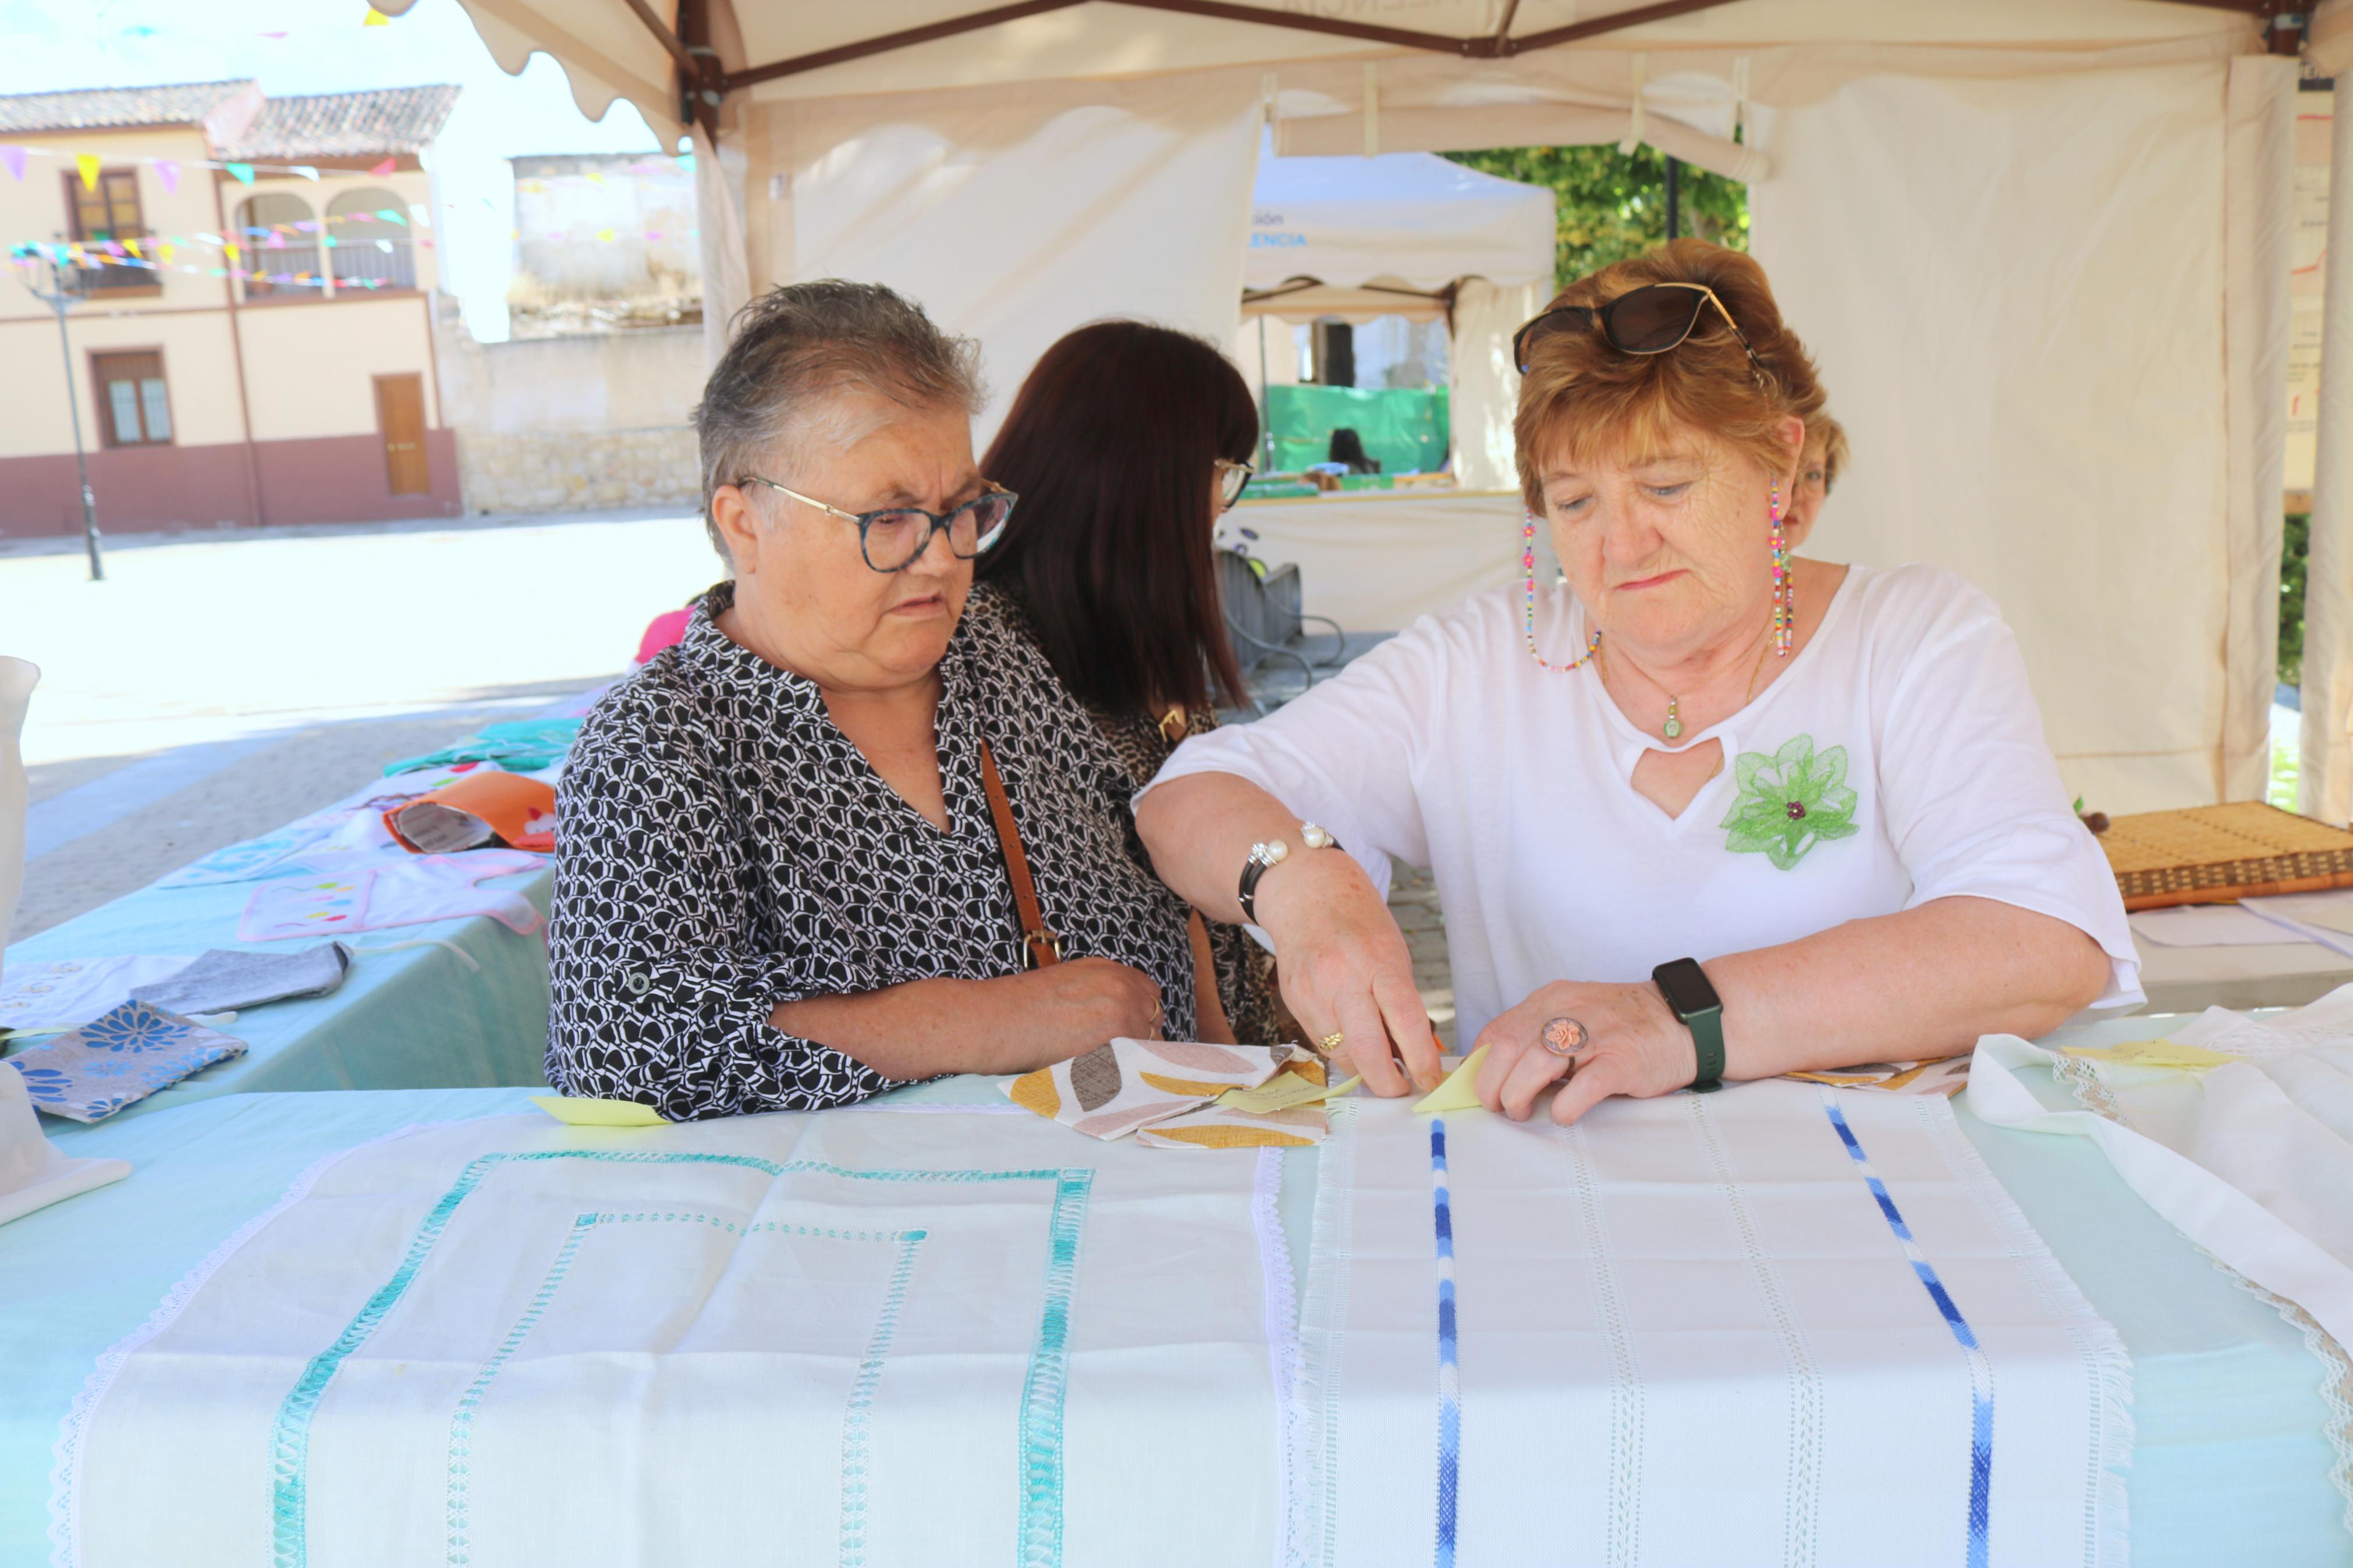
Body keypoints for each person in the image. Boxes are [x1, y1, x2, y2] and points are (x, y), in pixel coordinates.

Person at [1135, 239, 2136, 1124]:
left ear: (1777, 465)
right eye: (1574, 502)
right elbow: (1184, 798)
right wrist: (1301, 882)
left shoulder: (1913, 637)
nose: (1619, 543)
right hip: (1559, 1205)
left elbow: (2043, 940)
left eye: (1665, 486)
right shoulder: (1477, 663)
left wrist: (1671, 1020)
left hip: (1870, 1205)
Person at [546, 281, 1201, 1119]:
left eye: (960, 510)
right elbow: (624, 1054)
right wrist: (983, 1019)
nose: (939, 558)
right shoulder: (659, 744)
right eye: (887, 518)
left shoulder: (1006, 647)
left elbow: (1171, 852)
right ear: (744, 522)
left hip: (1140, 1192)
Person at [974, 319, 1282, 1044]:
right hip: (1135, 1087)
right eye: (1223, 472)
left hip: (1203, 1072)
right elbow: (1130, 895)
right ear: (1152, 473)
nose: (1220, 504)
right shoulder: (986, 650)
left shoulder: (1130, 635)